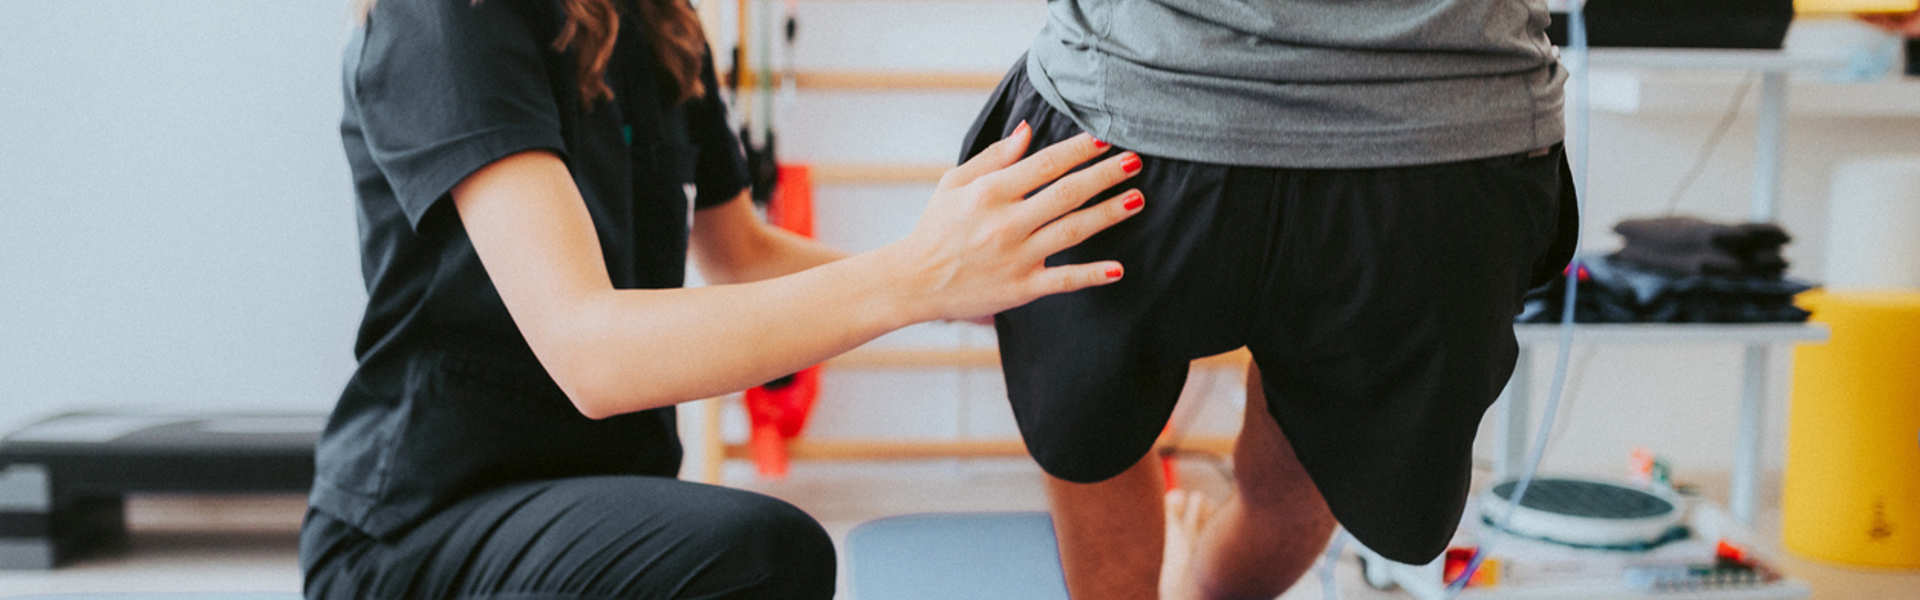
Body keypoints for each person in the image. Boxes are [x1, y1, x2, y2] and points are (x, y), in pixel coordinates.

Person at [300, 0, 1147, 598]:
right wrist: (919, 274)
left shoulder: (657, 20)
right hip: (421, 531)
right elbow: (587, 352)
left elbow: (741, 254)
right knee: (764, 555)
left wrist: (967, 290)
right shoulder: (448, 18)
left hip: (596, 495)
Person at [957, 1, 1581, 598]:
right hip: (1437, 134)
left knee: (1102, 453)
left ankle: (1197, 587)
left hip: (1141, 105)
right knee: (1282, 471)